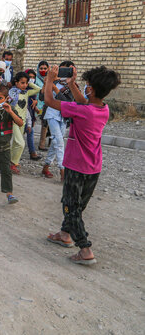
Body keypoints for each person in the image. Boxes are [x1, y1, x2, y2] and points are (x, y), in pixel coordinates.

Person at [45, 65, 120, 265]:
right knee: (77, 206)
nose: (85, 88)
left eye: (87, 86)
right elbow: (84, 101)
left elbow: (49, 101)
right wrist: (72, 84)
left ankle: (85, 249)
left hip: (76, 166)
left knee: (71, 206)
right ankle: (64, 234)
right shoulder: (103, 109)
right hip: (93, 168)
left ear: (92, 90)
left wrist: (49, 80)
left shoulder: (82, 111)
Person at [42, 60, 76, 180]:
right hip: (52, 114)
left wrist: (55, 88)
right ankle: (63, 171)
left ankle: (46, 166)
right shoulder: (53, 81)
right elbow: (42, 97)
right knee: (60, 143)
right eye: (60, 70)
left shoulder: (72, 86)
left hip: (63, 117)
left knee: (57, 142)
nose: (62, 73)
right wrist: (47, 83)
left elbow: (67, 102)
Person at [8, 71, 41, 174]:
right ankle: (13, 163)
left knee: (15, 144)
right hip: (13, 121)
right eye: (22, 82)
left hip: (22, 122)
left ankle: (10, 164)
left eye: (26, 83)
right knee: (21, 143)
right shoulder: (11, 92)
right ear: (16, 82)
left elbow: (38, 89)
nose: (25, 85)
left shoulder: (26, 92)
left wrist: (29, 82)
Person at [25, 69, 42, 161]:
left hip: (30, 114)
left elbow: (33, 99)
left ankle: (32, 152)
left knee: (30, 132)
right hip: (22, 114)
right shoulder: (22, 89)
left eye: (33, 77)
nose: (31, 79)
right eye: (29, 77)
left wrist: (35, 105)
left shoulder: (32, 89)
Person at [35, 61, 50, 151]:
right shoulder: (35, 79)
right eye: (41, 68)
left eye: (45, 68)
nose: (43, 70)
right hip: (36, 104)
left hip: (46, 104)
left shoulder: (50, 79)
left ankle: (42, 144)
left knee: (44, 124)